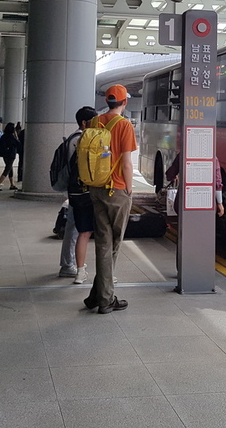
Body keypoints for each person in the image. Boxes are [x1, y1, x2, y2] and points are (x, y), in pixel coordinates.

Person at [84, 85, 137, 314]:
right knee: (112, 245)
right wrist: (129, 189)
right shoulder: (124, 125)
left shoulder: (95, 122)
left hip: (96, 187)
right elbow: (126, 163)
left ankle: (96, 296)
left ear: (108, 101)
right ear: (124, 102)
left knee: (103, 243)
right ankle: (106, 299)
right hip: (116, 190)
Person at [59, 106, 97, 283]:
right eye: (93, 121)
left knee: (73, 227)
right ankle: (68, 265)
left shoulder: (72, 139)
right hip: (80, 190)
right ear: (84, 122)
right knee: (77, 229)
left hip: (73, 188)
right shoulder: (80, 139)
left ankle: (69, 262)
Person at [166, 150, 225, 217]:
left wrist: (173, 177)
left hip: (185, 202)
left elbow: (170, 174)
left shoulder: (183, 155)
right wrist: (220, 203)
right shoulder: (213, 157)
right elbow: (217, 181)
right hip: (206, 203)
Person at [0, 122, 20, 190]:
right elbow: (18, 144)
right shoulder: (11, 137)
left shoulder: (4, 136)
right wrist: (16, 135)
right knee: (7, 169)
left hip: (5, 155)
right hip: (11, 155)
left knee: (10, 168)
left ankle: (12, 184)